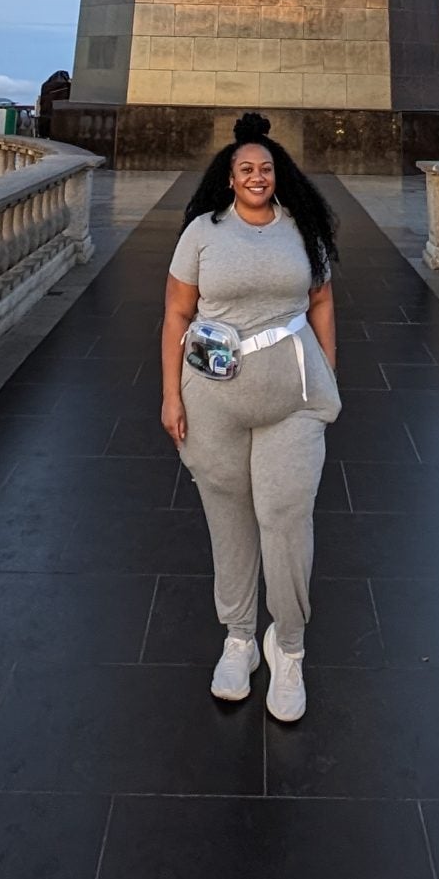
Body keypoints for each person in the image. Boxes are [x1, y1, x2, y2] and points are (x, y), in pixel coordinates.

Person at [161, 111, 339, 722]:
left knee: (286, 518)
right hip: (213, 399)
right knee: (229, 520)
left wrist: (327, 378)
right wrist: (171, 396)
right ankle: (239, 638)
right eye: (246, 169)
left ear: (278, 175)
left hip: (292, 399)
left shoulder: (303, 229)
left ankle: (288, 646)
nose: (257, 176)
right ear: (229, 178)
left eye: (265, 168)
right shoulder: (202, 233)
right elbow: (176, 317)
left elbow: (321, 302)